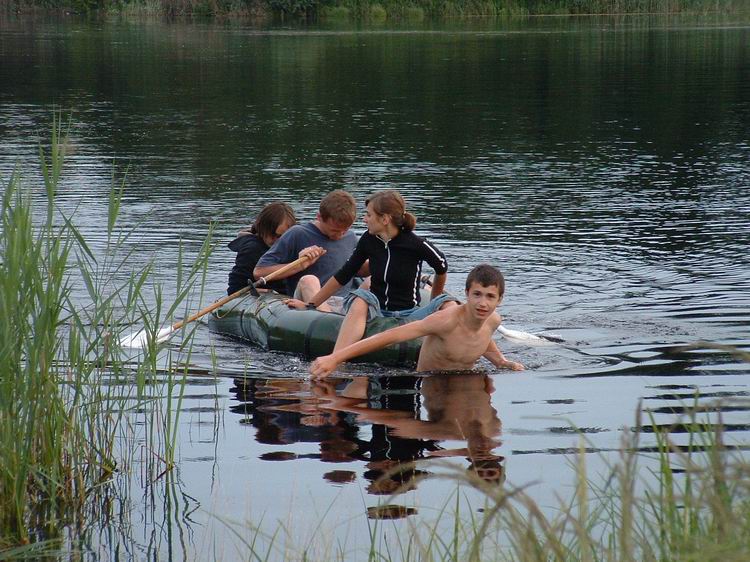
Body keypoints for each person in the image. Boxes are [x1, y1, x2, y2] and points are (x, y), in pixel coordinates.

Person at [285, 189, 458, 351]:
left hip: (411, 313)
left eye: (368, 215)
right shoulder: (368, 240)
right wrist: (311, 304)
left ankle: (457, 352)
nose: (364, 219)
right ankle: (337, 359)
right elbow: (344, 275)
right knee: (361, 297)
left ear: (385, 219)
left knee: (449, 303)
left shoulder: (416, 244)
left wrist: (435, 299)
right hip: (376, 311)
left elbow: (441, 266)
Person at [309, 264, 525, 378]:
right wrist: (335, 358)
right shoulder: (445, 321)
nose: (482, 304)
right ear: (467, 293)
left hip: (467, 381)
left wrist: (501, 362)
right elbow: (389, 336)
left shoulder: (493, 320)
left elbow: (483, 336)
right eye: (477, 294)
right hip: (429, 381)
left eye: (490, 297)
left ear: (500, 300)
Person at [254, 190, 360, 307]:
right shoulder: (297, 234)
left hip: (344, 302)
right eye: (334, 230)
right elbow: (259, 272)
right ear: (319, 217)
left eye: (345, 230)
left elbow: (354, 268)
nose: (340, 235)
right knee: (309, 280)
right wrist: (299, 265)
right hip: (308, 300)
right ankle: (326, 318)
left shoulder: (351, 237)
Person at [226, 202, 296, 295]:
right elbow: (235, 289)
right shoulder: (252, 249)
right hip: (262, 298)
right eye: (273, 235)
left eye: (283, 237)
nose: (277, 240)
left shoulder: (293, 248)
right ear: (262, 228)